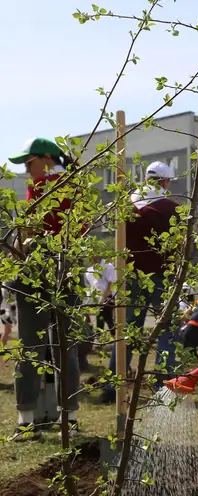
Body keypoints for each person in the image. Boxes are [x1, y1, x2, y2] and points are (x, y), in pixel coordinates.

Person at [6, 137, 82, 440]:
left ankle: (26, 422)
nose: (27, 171)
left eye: (29, 163)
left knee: (29, 346)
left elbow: (27, 234)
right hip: (69, 268)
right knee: (66, 348)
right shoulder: (78, 187)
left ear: (47, 158)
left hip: (37, 270)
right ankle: (70, 419)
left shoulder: (42, 187)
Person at [100, 161, 180, 403]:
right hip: (162, 277)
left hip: (130, 277)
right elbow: (179, 246)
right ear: (165, 182)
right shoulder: (171, 209)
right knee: (167, 331)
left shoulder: (127, 207)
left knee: (127, 332)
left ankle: (114, 384)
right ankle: (163, 384)